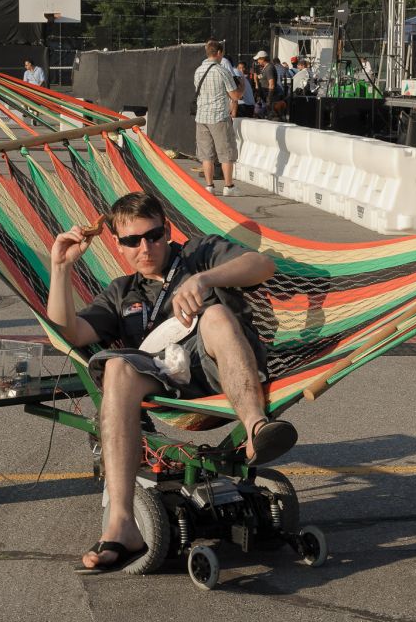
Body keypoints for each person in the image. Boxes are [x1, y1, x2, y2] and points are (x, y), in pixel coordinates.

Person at [47, 191, 295, 574]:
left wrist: (203, 279)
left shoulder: (199, 254)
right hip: (162, 380)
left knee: (213, 316)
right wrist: (60, 268)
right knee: (116, 369)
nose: (145, 247)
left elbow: (261, 265)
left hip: (218, 366)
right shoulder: (121, 293)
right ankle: (122, 525)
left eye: (154, 235)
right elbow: (67, 333)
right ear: (118, 244)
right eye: (132, 240)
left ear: (167, 232)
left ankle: (256, 428)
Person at [192, 39, 242, 196]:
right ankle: (229, 186)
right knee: (225, 153)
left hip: (201, 116)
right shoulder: (221, 71)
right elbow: (235, 95)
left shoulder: (198, 70)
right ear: (219, 53)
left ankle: (209, 185)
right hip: (219, 116)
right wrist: (243, 85)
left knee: (206, 154)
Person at [254, 50, 276, 119]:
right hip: (264, 96)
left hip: (268, 97)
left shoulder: (269, 68)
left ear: (263, 59)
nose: (258, 61)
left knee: (269, 116)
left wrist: (269, 98)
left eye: (258, 59)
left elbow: (271, 84)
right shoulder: (265, 68)